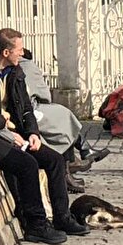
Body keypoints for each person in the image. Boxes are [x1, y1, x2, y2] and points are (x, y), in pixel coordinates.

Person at [0, 29, 89, 241]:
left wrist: (33, 132)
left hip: (17, 131)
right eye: (19, 50)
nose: (22, 54)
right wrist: (7, 134)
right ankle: (34, 222)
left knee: (55, 160)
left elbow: (26, 108)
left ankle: (62, 216)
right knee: (24, 164)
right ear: (6, 52)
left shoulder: (15, 71)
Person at [19, 50, 110, 194]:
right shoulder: (26, 66)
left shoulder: (14, 66)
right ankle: (77, 158)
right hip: (27, 114)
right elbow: (45, 96)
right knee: (62, 117)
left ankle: (80, 155)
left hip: (27, 112)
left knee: (61, 117)